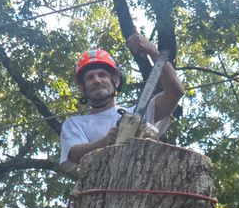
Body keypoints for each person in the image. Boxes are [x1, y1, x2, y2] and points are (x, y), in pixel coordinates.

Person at [59, 32, 184, 166]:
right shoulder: (75, 123)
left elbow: (175, 92)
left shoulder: (138, 113)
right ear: (82, 87)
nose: (97, 80)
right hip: (99, 185)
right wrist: (105, 142)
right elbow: (73, 154)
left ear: (116, 80)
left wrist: (153, 52)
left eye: (102, 75)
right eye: (90, 77)